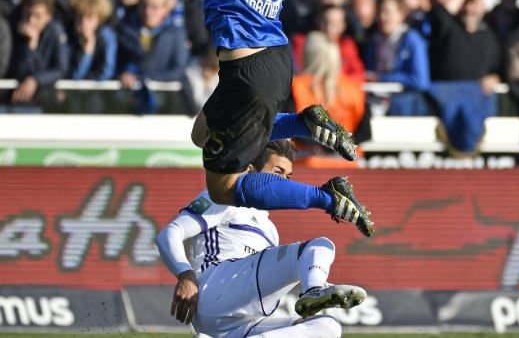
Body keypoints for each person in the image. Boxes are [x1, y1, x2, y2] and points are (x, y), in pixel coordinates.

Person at [87, 0, 369, 233]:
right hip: (272, 60)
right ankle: (304, 125)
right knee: (200, 133)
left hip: (247, 68)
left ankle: (327, 195)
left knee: (223, 188)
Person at [157, 139, 367, 338]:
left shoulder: (269, 228)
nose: (284, 182)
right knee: (319, 246)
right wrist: (186, 276)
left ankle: (315, 290)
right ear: (250, 170)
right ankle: (314, 290)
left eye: (288, 177)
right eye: (277, 173)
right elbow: (170, 232)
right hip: (213, 291)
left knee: (327, 327)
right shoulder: (225, 197)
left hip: (239, 322)